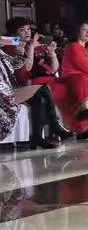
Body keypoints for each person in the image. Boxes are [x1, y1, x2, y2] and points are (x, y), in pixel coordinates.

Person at [0, 18, 70, 148]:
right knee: (43, 89)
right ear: (13, 33)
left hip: (17, 87)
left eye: (28, 29)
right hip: (8, 91)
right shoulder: (10, 44)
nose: (27, 32)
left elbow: (51, 69)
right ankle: (54, 126)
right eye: (22, 30)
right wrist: (21, 43)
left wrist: (47, 52)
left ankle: (38, 137)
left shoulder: (25, 45)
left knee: (41, 98)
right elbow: (24, 72)